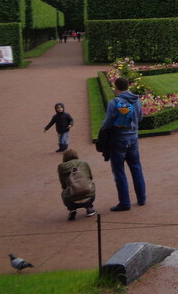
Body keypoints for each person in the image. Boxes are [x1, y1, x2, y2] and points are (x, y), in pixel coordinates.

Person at [100, 76, 146, 211]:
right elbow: (140, 118)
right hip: (133, 139)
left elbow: (107, 123)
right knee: (136, 168)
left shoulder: (114, 103)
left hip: (118, 141)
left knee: (119, 172)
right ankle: (141, 198)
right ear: (128, 86)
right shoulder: (137, 100)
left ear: (116, 87)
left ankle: (125, 203)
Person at [57, 148, 96, 220]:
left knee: (64, 192)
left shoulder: (61, 167)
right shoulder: (84, 163)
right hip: (88, 194)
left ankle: (72, 209)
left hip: (71, 197)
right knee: (91, 186)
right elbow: (90, 177)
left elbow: (63, 185)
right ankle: (89, 207)